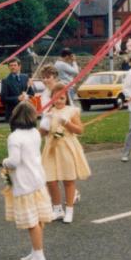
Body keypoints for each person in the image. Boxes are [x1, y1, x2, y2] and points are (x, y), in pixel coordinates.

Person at [2, 102, 53, 260]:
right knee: (37, 219)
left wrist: (4, 162)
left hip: (25, 183)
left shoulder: (14, 137)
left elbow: (14, 162)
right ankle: (35, 250)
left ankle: (39, 255)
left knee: (32, 222)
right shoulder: (35, 133)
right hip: (38, 180)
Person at [39, 83, 90, 223]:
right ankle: (57, 209)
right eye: (55, 98)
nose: (59, 101)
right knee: (50, 180)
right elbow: (42, 133)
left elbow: (80, 130)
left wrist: (66, 122)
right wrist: (44, 126)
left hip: (66, 147)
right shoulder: (48, 112)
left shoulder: (72, 111)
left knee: (68, 179)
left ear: (66, 98)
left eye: (62, 98)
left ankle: (69, 209)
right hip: (51, 148)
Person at [0, 59, 31, 125]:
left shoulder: (25, 77)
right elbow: (3, 99)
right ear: (8, 67)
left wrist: (27, 95)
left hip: (25, 113)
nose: (13, 67)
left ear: (19, 66)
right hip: (13, 114)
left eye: (15, 65)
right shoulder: (5, 81)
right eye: (11, 65)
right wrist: (17, 98)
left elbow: (31, 93)